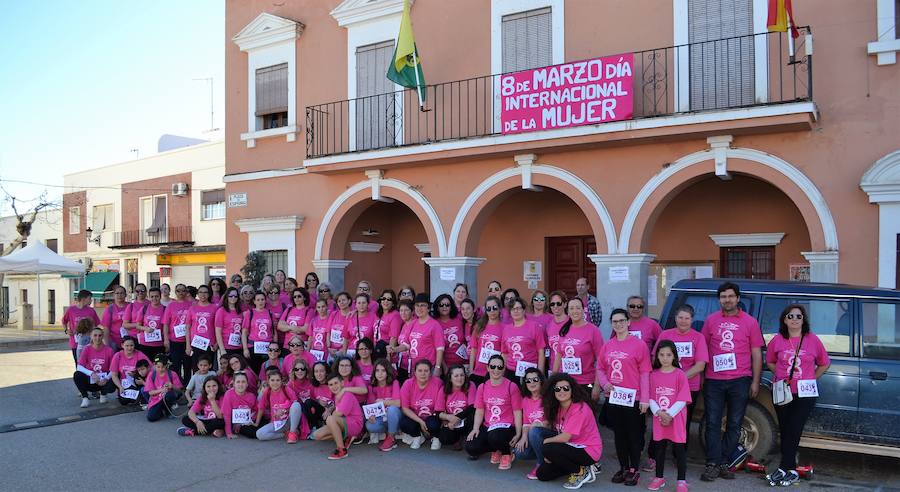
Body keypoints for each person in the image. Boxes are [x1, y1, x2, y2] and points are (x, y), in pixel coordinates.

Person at [700, 282, 764, 482]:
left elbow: (756, 354)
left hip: (740, 380)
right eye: (723, 297)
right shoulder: (711, 320)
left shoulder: (750, 322)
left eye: (730, 296)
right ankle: (712, 463)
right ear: (719, 299)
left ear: (738, 298)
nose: (727, 300)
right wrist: (701, 376)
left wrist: (755, 381)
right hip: (714, 380)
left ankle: (724, 462)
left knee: (735, 424)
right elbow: (703, 349)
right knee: (712, 423)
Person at [765, 304, 831, 487]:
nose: (794, 319)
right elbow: (770, 361)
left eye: (798, 316)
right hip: (782, 392)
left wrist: (810, 378)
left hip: (805, 394)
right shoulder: (777, 340)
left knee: (794, 429)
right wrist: (781, 376)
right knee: (785, 429)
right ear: (784, 320)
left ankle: (786, 468)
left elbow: (824, 363)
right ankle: (788, 469)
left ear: (804, 320)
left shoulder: (812, 340)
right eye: (790, 316)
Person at [595, 308, 651, 486]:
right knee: (619, 435)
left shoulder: (639, 345)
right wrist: (605, 383)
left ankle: (634, 469)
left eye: (621, 321)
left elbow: (645, 372)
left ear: (628, 322)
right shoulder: (608, 345)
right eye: (615, 321)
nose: (618, 324)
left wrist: (645, 399)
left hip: (634, 398)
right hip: (614, 397)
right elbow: (600, 368)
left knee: (634, 434)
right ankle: (623, 467)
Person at [654, 305, 708, 456]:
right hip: (664, 388)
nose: (683, 321)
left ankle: (679, 456)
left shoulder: (698, 337)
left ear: (692, 320)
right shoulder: (665, 335)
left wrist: (678, 379)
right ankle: (657, 455)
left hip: (689, 388)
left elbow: (700, 365)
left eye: (687, 318)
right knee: (661, 418)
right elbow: (655, 360)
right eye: (680, 317)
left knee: (683, 421)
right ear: (675, 318)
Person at [536, 373, 604, 489]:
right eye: (558, 389)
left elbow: (565, 437)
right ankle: (583, 467)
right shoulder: (557, 406)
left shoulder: (579, 408)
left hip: (588, 450)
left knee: (547, 447)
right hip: (570, 447)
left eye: (566, 388)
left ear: (572, 389)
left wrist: (546, 445)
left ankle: (580, 472)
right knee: (542, 474)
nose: (562, 391)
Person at [647, 341, 692, 492]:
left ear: (674, 356)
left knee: (679, 449)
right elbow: (650, 397)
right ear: (657, 356)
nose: (665, 358)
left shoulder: (680, 375)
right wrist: (660, 413)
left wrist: (669, 415)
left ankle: (681, 481)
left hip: (676, 418)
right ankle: (659, 478)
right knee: (659, 448)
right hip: (659, 417)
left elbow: (683, 398)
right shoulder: (653, 375)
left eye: (668, 355)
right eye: (661, 355)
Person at [465, 354, 523, 470]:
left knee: (495, 437)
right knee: (471, 447)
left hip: (507, 427)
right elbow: (480, 410)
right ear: (487, 368)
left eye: (500, 367)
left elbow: (517, 412)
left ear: (504, 369)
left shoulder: (512, 386)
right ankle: (496, 449)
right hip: (489, 426)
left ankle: (507, 453)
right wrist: (475, 428)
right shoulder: (482, 387)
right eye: (493, 366)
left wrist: (518, 433)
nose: (496, 370)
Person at [553, 298, 604, 390]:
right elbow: (559, 355)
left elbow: (600, 359)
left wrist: (597, 385)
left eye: (578, 308)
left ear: (583, 310)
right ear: (568, 312)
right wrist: (553, 378)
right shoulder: (564, 330)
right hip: (565, 381)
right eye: (571, 308)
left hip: (586, 382)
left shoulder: (593, 330)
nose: (575, 311)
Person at [312, 372, 364, 460]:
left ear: (342, 383)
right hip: (344, 423)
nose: (334, 386)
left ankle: (341, 450)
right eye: (331, 384)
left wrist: (331, 418)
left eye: (336, 383)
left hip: (355, 424)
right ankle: (346, 437)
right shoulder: (337, 396)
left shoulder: (347, 395)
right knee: (317, 435)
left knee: (330, 419)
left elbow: (339, 413)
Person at [399, 359, 445, 450]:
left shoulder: (438, 383)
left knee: (433, 425)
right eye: (420, 371)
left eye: (426, 371)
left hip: (433, 416)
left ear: (430, 372)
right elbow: (405, 408)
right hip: (416, 416)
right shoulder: (408, 384)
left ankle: (436, 437)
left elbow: (440, 408)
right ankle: (417, 436)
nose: (423, 373)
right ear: (415, 372)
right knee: (404, 423)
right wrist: (421, 422)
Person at [396, 293, 445, 374]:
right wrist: (394, 349)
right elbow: (406, 345)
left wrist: (438, 367)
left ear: (428, 308)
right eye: (417, 305)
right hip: (414, 368)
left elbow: (440, 348)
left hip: (429, 368)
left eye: (422, 305)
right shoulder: (413, 323)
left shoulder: (435, 325)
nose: (419, 308)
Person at [514, 367, 548, 480]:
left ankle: (541, 463)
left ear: (541, 381)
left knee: (534, 431)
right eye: (528, 380)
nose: (532, 383)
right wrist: (524, 437)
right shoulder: (525, 400)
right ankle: (544, 456)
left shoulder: (548, 398)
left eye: (535, 379)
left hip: (548, 435)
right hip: (533, 436)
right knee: (519, 452)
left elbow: (552, 422)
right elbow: (526, 422)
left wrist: (538, 425)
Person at [502, 297, 546, 382]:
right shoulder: (506, 329)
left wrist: (540, 374)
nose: (516, 311)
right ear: (510, 312)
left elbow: (541, 352)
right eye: (513, 309)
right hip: (511, 371)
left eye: (518, 308)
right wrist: (502, 374)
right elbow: (505, 353)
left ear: (524, 310)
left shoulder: (534, 327)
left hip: (530, 371)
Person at [255, 367, 304, 443]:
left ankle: (292, 433)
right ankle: (285, 434)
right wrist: (256, 423)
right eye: (272, 380)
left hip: (289, 421)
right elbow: (261, 408)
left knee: (296, 405)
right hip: (276, 423)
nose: (275, 383)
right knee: (259, 434)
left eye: (278, 380)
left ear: (281, 381)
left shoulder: (286, 389)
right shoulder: (267, 392)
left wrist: (284, 410)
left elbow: (295, 405)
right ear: (268, 381)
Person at [73, 327, 116, 408]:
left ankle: (103, 394)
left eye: (100, 335)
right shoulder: (87, 349)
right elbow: (79, 367)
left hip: (104, 380)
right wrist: (92, 373)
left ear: (103, 336)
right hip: (91, 379)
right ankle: (85, 398)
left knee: (115, 375)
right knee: (77, 374)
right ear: (91, 336)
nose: (97, 338)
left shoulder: (109, 350)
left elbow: (114, 368)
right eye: (95, 335)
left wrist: (106, 378)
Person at [366, 358, 402, 451]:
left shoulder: (394, 383)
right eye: (377, 370)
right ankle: (390, 431)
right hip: (382, 417)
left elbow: (398, 403)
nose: (380, 373)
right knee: (370, 425)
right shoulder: (371, 386)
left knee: (392, 409)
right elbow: (371, 406)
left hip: (395, 416)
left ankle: (391, 437)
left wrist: (383, 402)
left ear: (388, 372)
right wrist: (371, 415)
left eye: (383, 370)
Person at [437, 364, 476, 450]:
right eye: (456, 376)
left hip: (466, 419)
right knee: (444, 439)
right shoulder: (444, 389)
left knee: (473, 416)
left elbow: (472, 407)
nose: (460, 378)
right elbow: (438, 412)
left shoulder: (470, 385)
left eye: (462, 375)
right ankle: (457, 438)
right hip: (451, 420)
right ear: (450, 378)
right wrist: (449, 418)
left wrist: (457, 418)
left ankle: (468, 437)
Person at [468, 296, 505, 385]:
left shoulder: (505, 328)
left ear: (499, 308)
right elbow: (474, 349)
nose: (492, 311)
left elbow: (505, 353)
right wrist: (471, 369)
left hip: (495, 371)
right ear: (485, 310)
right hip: (478, 371)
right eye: (489, 308)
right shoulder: (479, 326)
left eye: (494, 308)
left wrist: (502, 371)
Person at [163, 284, 192, 383]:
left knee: (188, 364)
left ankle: (187, 384)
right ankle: (177, 384)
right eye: (178, 291)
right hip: (174, 340)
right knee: (176, 365)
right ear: (175, 292)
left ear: (186, 292)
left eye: (183, 290)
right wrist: (166, 339)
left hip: (188, 340)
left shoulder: (191, 304)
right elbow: (166, 323)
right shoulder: (171, 305)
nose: (181, 293)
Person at [61, 289, 101, 363]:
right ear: (83, 299)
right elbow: (64, 321)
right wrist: (66, 330)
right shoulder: (71, 310)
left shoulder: (91, 311)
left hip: (89, 343)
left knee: (90, 363)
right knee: (79, 363)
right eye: (90, 298)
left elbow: (97, 325)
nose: (91, 300)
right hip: (75, 343)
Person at [186, 284, 219, 372]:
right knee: (196, 370)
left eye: (205, 292)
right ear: (197, 294)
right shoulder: (192, 308)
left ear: (209, 294)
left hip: (210, 344)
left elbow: (218, 327)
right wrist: (188, 345)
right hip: (196, 344)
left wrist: (216, 343)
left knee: (209, 370)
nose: (203, 294)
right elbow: (188, 327)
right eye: (200, 292)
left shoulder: (215, 308)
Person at [110, 336, 151, 404]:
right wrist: (120, 387)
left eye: (131, 345)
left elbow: (150, 368)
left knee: (135, 399)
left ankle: (141, 394)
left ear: (134, 345)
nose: (129, 348)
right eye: (127, 346)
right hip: (124, 382)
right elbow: (114, 375)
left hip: (137, 381)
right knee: (124, 401)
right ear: (122, 345)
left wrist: (140, 377)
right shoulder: (118, 355)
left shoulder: (139, 354)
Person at [145, 353, 184, 422]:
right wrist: (161, 390)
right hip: (156, 399)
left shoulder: (172, 374)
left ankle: (168, 410)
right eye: (158, 367)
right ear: (154, 365)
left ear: (166, 365)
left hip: (167, 397)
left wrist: (172, 386)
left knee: (169, 395)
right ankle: (161, 410)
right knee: (151, 417)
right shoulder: (152, 375)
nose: (160, 369)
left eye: (163, 367)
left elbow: (179, 390)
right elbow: (150, 392)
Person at [244, 292, 276, 373]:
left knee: (267, 371)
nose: (260, 302)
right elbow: (244, 332)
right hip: (253, 347)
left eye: (262, 299)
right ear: (254, 301)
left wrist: (275, 347)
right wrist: (245, 348)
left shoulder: (270, 313)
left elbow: (274, 332)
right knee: (254, 371)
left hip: (267, 348)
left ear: (265, 301)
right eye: (258, 300)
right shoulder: (250, 313)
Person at [222, 372, 260, 439]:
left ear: (247, 384)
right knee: (253, 433)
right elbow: (226, 414)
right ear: (234, 384)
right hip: (233, 422)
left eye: (243, 382)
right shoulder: (229, 394)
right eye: (238, 382)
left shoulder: (251, 396)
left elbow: (257, 411)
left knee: (260, 427)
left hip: (247, 422)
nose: (241, 384)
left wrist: (251, 420)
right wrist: (229, 433)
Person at [434, 294, 467, 370]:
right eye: (441, 305)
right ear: (437, 307)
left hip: (464, 363)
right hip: (446, 365)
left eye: (447, 305)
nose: (444, 307)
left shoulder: (459, 319)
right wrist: (444, 367)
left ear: (451, 307)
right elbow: (437, 348)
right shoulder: (435, 323)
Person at [134, 288, 167, 362]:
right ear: (149, 297)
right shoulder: (144, 308)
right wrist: (145, 328)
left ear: (160, 296)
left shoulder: (165, 309)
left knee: (158, 366)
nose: (154, 298)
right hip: (145, 343)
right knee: (145, 366)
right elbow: (138, 326)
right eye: (152, 296)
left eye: (156, 296)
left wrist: (166, 341)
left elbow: (166, 327)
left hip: (159, 344)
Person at [303, 361, 334, 433]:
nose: (318, 374)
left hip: (331, 411)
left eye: (321, 371)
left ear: (326, 372)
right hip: (320, 412)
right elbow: (312, 401)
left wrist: (329, 409)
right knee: (308, 402)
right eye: (316, 371)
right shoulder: (312, 386)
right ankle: (314, 426)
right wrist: (318, 401)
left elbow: (338, 401)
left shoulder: (332, 384)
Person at [216, 287, 247, 356]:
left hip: (239, 346)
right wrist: (222, 349)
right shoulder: (221, 311)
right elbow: (218, 331)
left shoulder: (241, 311)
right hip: (226, 347)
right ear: (227, 297)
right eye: (231, 296)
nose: (233, 298)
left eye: (235, 296)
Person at [373, 289, 401, 361]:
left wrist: (389, 356)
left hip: (386, 353)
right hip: (376, 351)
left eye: (389, 299)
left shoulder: (395, 315)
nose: (386, 301)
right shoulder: (378, 314)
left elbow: (394, 338)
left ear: (393, 303)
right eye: (384, 298)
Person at [546, 291, 569, 374]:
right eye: (552, 304)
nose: (555, 306)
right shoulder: (549, 326)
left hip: (569, 370)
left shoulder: (571, 322)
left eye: (558, 303)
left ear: (565, 304)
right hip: (553, 370)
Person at [122, 283, 148, 349]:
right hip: (134, 338)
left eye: (142, 290)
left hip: (149, 337)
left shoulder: (151, 304)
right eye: (137, 291)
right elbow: (125, 325)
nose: (140, 292)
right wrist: (138, 325)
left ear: (146, 292)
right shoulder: (131, 306)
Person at [328, 292, 353, 358]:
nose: (341, 302)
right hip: (332, 351)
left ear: (349, 301)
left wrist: (343, 349)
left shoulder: (352, 316)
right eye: (339, 301)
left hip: (345, 350)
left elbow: (351, 335)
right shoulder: (333, 314)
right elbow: (328, 332)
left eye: (343, 300)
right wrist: (328, 347)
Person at [307, 299, 331, 363]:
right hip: (314, 351)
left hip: (326, 352)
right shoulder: (313, 320)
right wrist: (308, 351)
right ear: (316, 308)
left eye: (323, 306)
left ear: (327, 307)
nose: (321, 309)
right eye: (319, 307)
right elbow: (310, 337)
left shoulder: (330, 319)